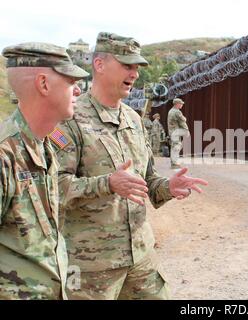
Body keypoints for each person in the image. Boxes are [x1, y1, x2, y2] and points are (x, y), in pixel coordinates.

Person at [52, 32, 208, 300]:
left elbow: (147, 181)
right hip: (92, 267)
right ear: (99, 65)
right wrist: (107, 183)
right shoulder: (70, 119)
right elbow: (54, 187)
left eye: (137, 67)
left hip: (140, 258)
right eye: (127, 65)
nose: (134, 73)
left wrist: (169, 187)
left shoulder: (134, 120)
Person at [0, 42, 88, 299]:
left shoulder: (45, 144)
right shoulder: (5, 154)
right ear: (44, 84)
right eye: (71, 81)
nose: (78, 90)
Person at [167, 98, 189, 169]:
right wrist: (186, 130)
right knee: (176, 147)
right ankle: (174, 163)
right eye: (181, 103)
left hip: (172, 131)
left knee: (174, 146)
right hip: (175, 131)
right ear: (177, 104)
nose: (182, 105)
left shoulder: (170, 111)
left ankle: (173, 163)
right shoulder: (177, 112)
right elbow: (182, 121)